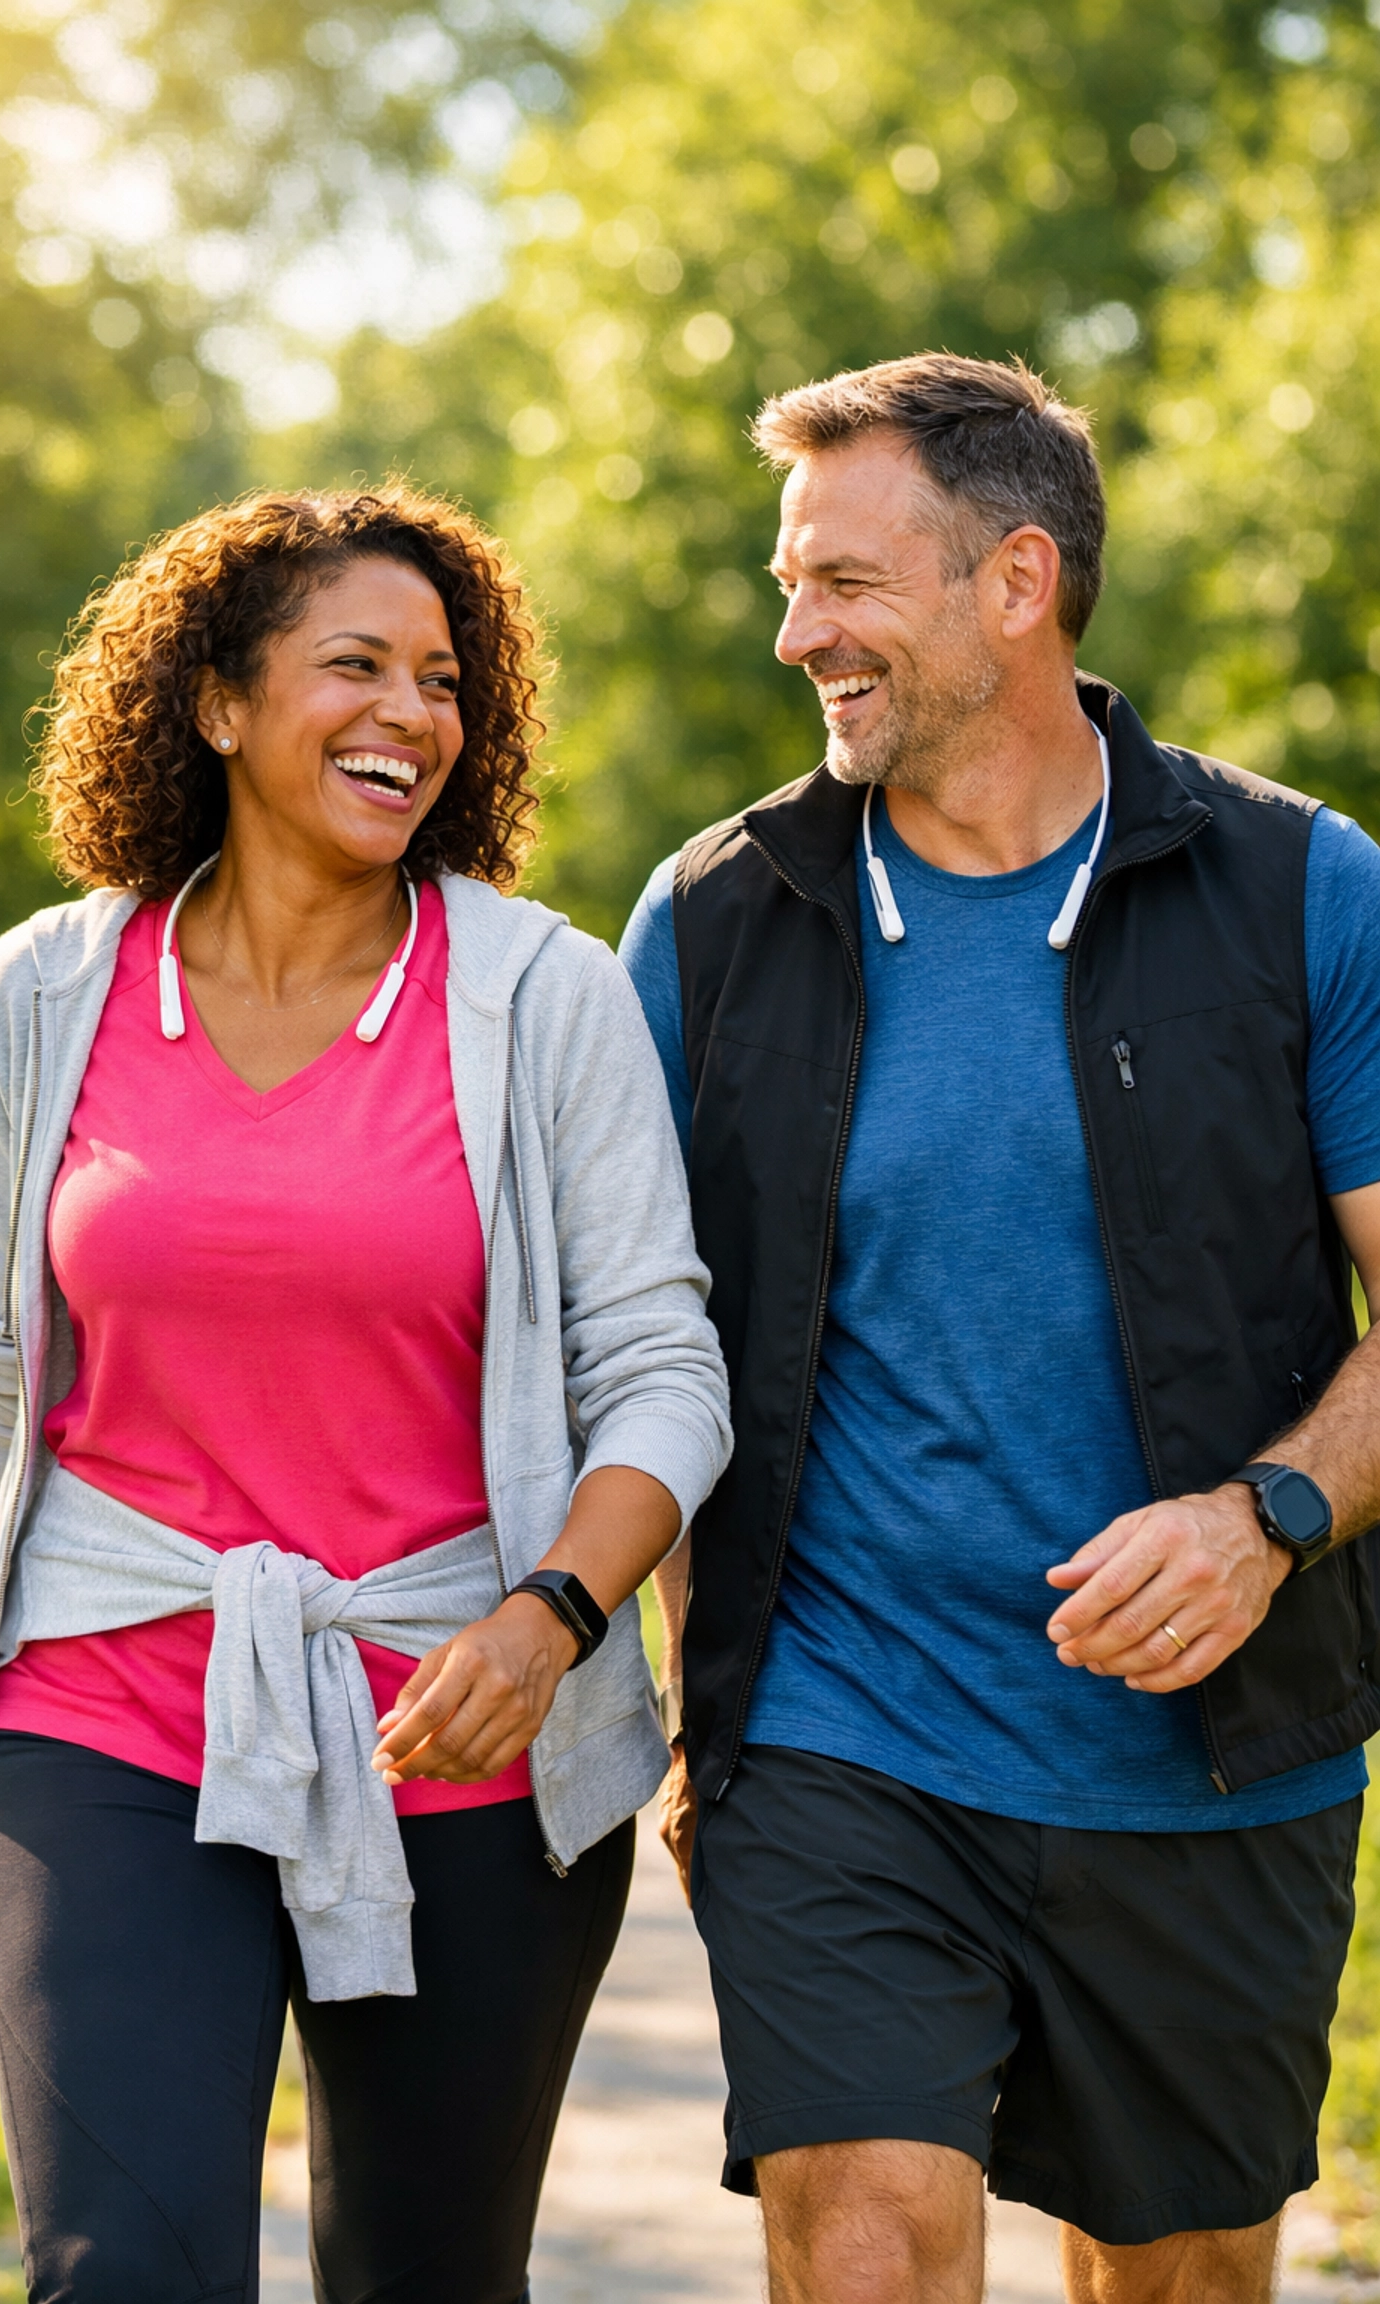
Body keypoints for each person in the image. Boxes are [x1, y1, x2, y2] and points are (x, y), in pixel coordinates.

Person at [0, 485, 731, 2304]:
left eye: (441, 678)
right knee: (123, 2268)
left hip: (459, 1726)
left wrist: (554, 1618)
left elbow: (667, 1374)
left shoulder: (543, 997)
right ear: (218, 702)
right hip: (102, 1701)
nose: (412, 711)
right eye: (357, 665)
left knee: (423, 2273)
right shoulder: (48, 989)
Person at [620, 354, 1380, 2304]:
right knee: (864, 2240)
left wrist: (1263, 1517)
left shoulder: (1304, 891)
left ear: (1016, 582)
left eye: (846, 584)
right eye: (793, 585)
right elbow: (639, 1340)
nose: (800, 634)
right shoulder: (714, 922)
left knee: (1184, 2281)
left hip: (1213, 1766)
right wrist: (698, 1708)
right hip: (839, 1746)